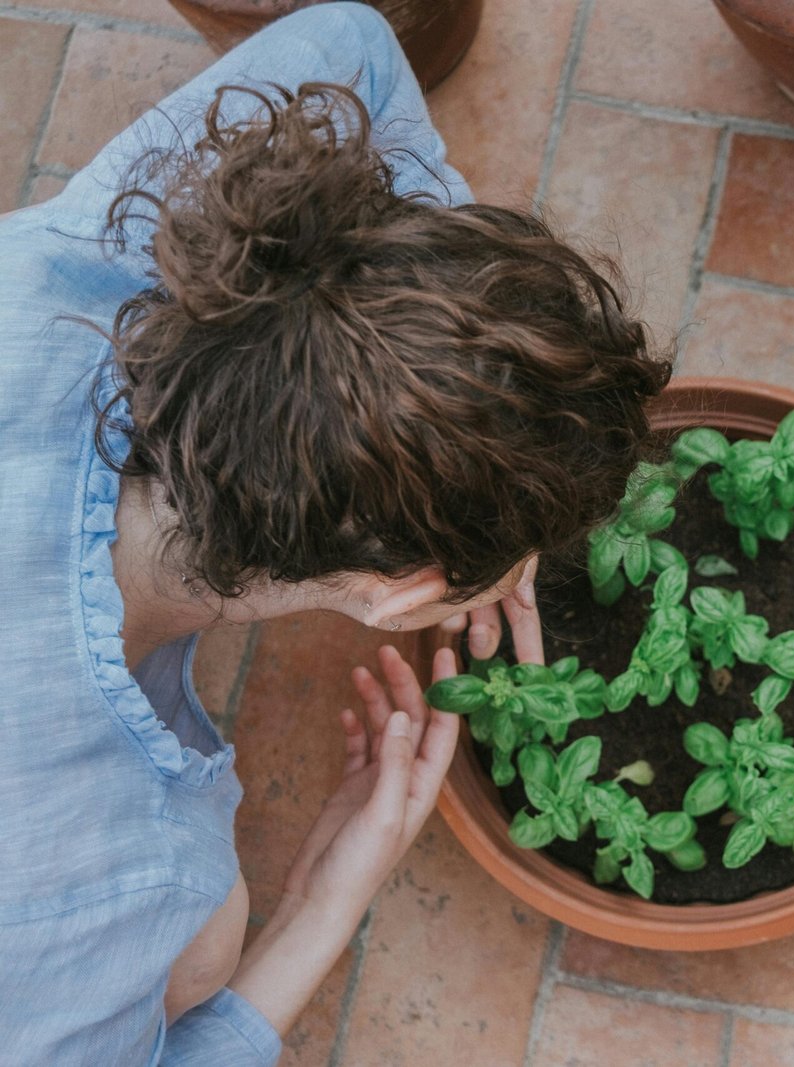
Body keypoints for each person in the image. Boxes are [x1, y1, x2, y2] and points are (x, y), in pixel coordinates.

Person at [0, 5, 670, 1063]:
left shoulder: (88, 260)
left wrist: (433, 390)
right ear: (397, 594)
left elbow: (353, 40)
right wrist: (323, 897)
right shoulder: (102, 876)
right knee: (205, 942)